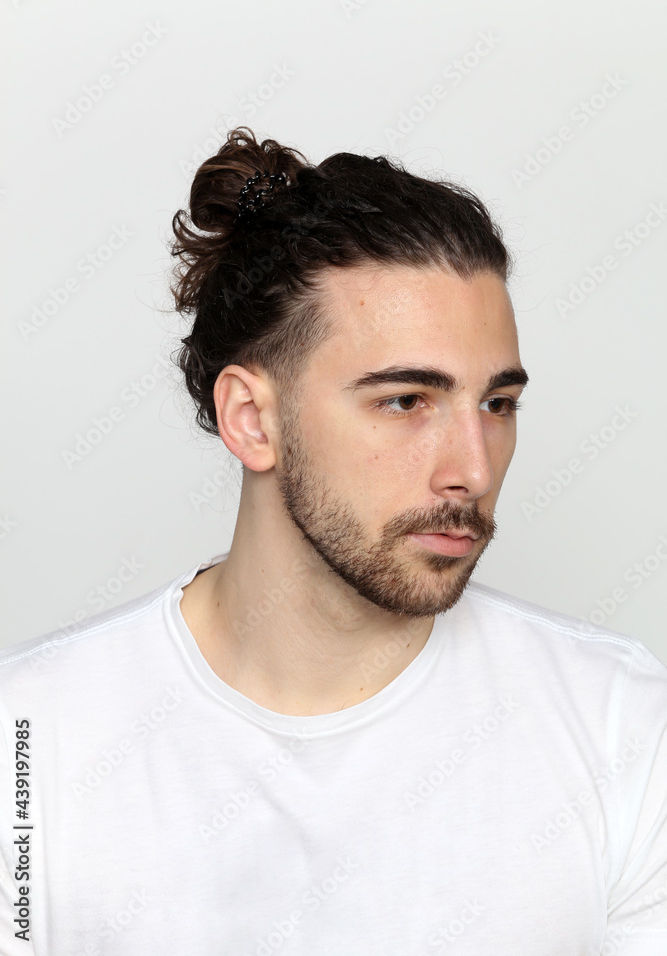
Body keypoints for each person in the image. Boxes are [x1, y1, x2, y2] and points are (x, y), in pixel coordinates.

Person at [0, 127, 665, 955]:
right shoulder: (30, 741)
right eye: (406, 401)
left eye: (496, 405)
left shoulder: (621, 725)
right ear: (253, 419)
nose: (471, 469)